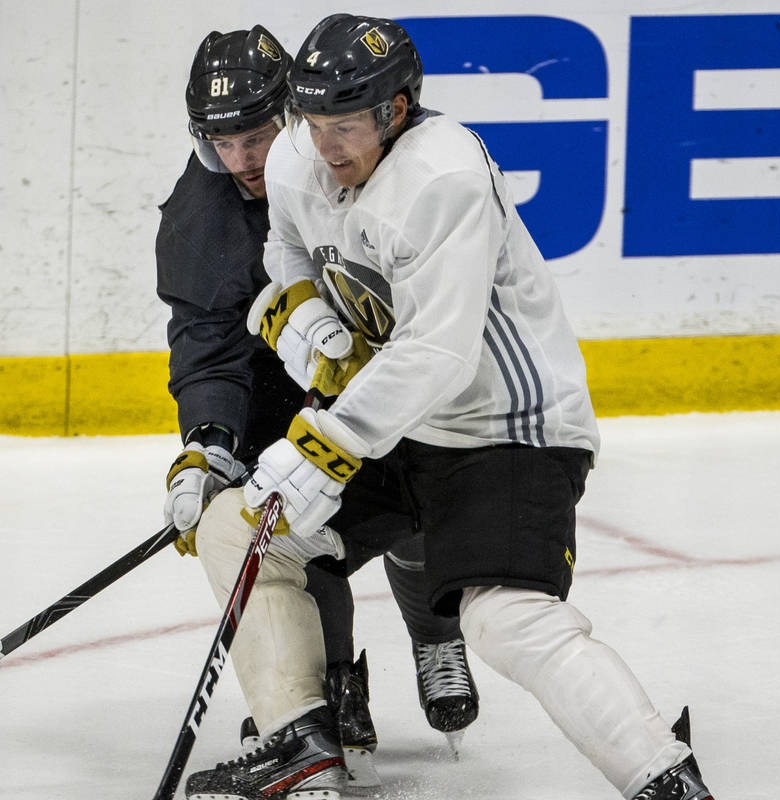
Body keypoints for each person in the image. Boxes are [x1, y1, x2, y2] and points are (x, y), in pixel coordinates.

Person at [184, 14, 715, 800]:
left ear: (397, 109)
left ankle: (662, 774)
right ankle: (302, 746)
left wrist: (327, 444)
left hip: (505, 429)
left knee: (504, 619)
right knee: (241, 529)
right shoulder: (300, 150)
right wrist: (305, 317)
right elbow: (286, 244)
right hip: (404, 424)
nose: (327, 147)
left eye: (348, 126)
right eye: (314, 122)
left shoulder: (444, 177)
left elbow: (438, 352)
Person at [157, 26, 479, 789]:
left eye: (259, 136)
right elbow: (206, 341)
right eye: (221, 144)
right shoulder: (200, 215)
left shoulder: (369, 166)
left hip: (388, 365)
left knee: (417, 496)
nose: (243, 162)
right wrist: (208, 442)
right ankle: (335, 686)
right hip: (282, 388)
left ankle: (436, 632)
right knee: (288, 512)